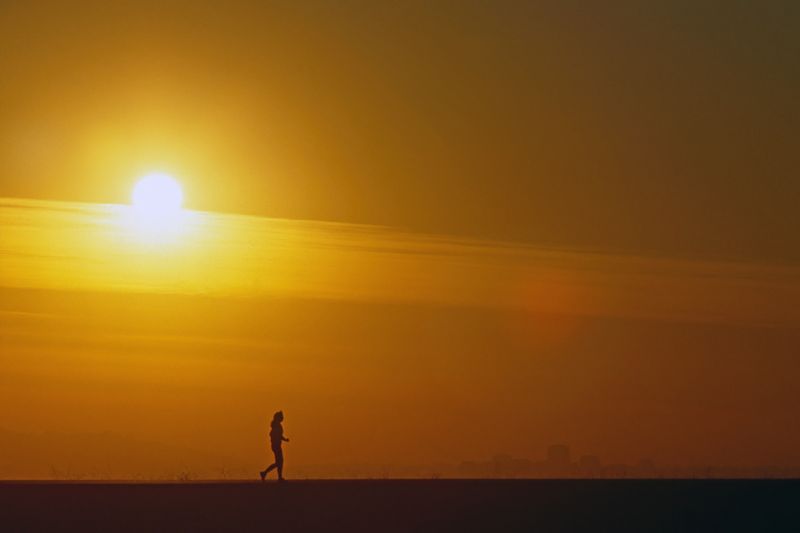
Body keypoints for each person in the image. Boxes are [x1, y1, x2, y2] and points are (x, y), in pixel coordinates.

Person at [260, 410, 289, 481]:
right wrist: (281, 440)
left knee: (278, 462)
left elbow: (279, 435)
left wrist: (285, 439)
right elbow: (274, 435)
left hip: (276, 445)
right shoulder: (276, 426)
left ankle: (266, 473)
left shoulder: (277, 425)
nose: (283, 418)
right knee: (279, 462)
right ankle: (268, 474)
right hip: (276, 446)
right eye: (281, 416)